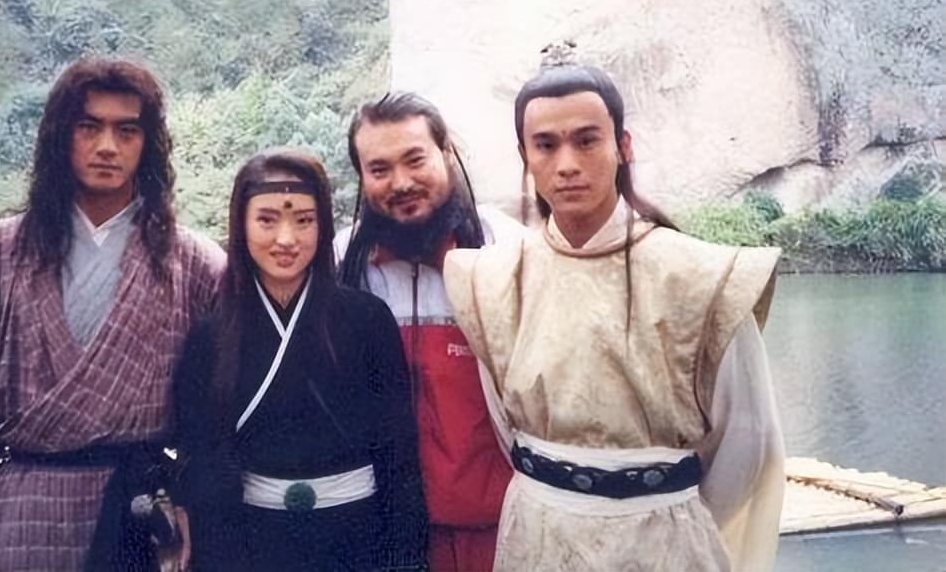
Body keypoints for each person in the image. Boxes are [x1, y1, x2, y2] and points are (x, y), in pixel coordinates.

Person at [443, 57, 786, 571]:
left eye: (587, 140)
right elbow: (505, 424)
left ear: (623, 146)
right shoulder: (494, 280)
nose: (566, 164)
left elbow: (748, 443)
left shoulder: (701, 278)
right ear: (525, 156)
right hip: (537, 536)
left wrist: (666, 510)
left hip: (664, 542)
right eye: (545, 145)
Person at [0, 58, 225, 572]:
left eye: (127, 130)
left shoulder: (197, 265)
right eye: (88, 127)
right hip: (20, 520)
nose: (107, 146)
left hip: (141, 516)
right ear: (60, 135)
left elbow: (218, 418)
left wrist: (194, 508)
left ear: (148, 144)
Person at [172, 149, 427, 571]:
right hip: (253, 542)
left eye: (304, 220)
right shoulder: (210, 336)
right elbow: (201, 453)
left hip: (357, 535)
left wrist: (403, 557)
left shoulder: (368, 320)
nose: (286, 239)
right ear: (241, 224)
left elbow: (398, 453)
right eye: (267, 220)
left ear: (323, 226)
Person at [337, 92, 515, 572]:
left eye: (415, 160)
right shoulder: (343, 265)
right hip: (389, 531)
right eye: (379, 169)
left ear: (447, 153)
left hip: (502, 526)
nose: (401, 182)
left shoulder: (506, 251)